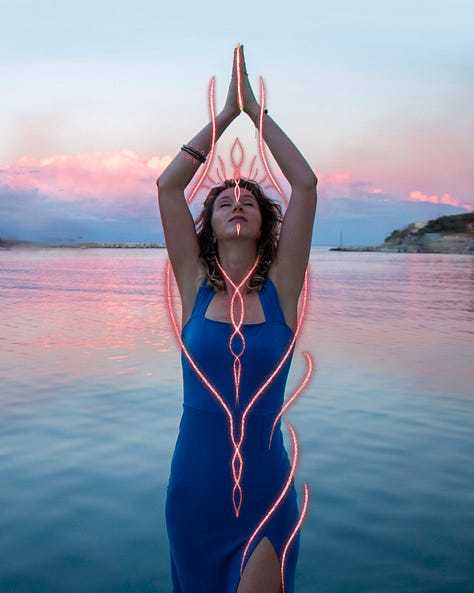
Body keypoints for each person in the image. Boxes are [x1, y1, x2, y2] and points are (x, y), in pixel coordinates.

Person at [156, 45, 317, 593]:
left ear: (263, 224)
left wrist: (256, 113)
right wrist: (223, 117)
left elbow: (307, 184)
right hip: (194, 490)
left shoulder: (283, 291)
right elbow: (168, 186)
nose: (238, 200)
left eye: (250, 197)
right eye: (225, 198)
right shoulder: (192, 287)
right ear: (211, 226)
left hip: (267, 491)